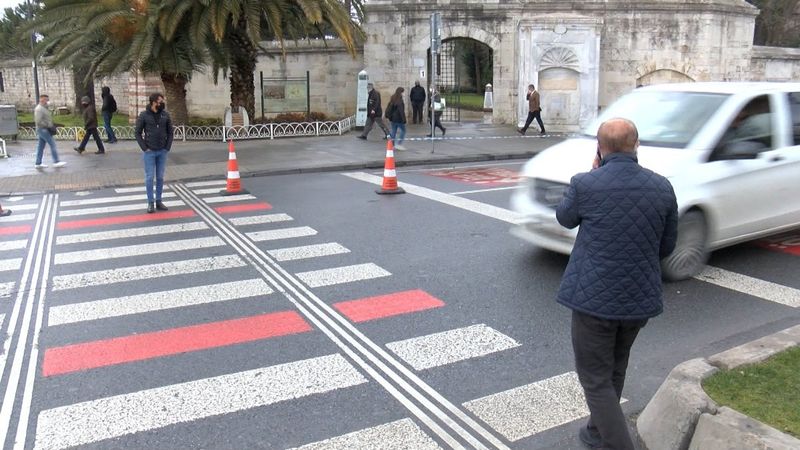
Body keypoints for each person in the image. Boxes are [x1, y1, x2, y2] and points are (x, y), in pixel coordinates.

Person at [555, 118, 678, 450]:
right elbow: (667, 247)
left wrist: (593, 173)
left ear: (600, 147)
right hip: (638, 300)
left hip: (594, 299)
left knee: (594, 378)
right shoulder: (663, 187)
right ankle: (597, 430)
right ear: (637, 146)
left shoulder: (585, 183)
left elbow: (565, 218)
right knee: (615, 365)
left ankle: (617, 442)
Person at [135, 93, 173, 214]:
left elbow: (170, 132)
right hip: (149, 152)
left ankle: (159, 200)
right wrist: (144, 148)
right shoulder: (144, 115)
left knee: (160, 177)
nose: (162, 103)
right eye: (160, 101)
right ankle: (150, 202)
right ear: (153, 102)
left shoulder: (165, 115)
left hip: (162, 151)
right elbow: (137, 133)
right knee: (150, 177)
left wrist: (167, 147)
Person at [33, 94, 66, 169]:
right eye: (46, 100)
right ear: (42, 100)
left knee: (40, 147)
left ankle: (38, 163)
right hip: (43, 129)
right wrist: (48, 125)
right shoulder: (39, 109)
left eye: (48, 100)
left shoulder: (44, 108)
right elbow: (38, 121)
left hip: (44, 129)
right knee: (52, 144)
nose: (48, 101)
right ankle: (56, 161)